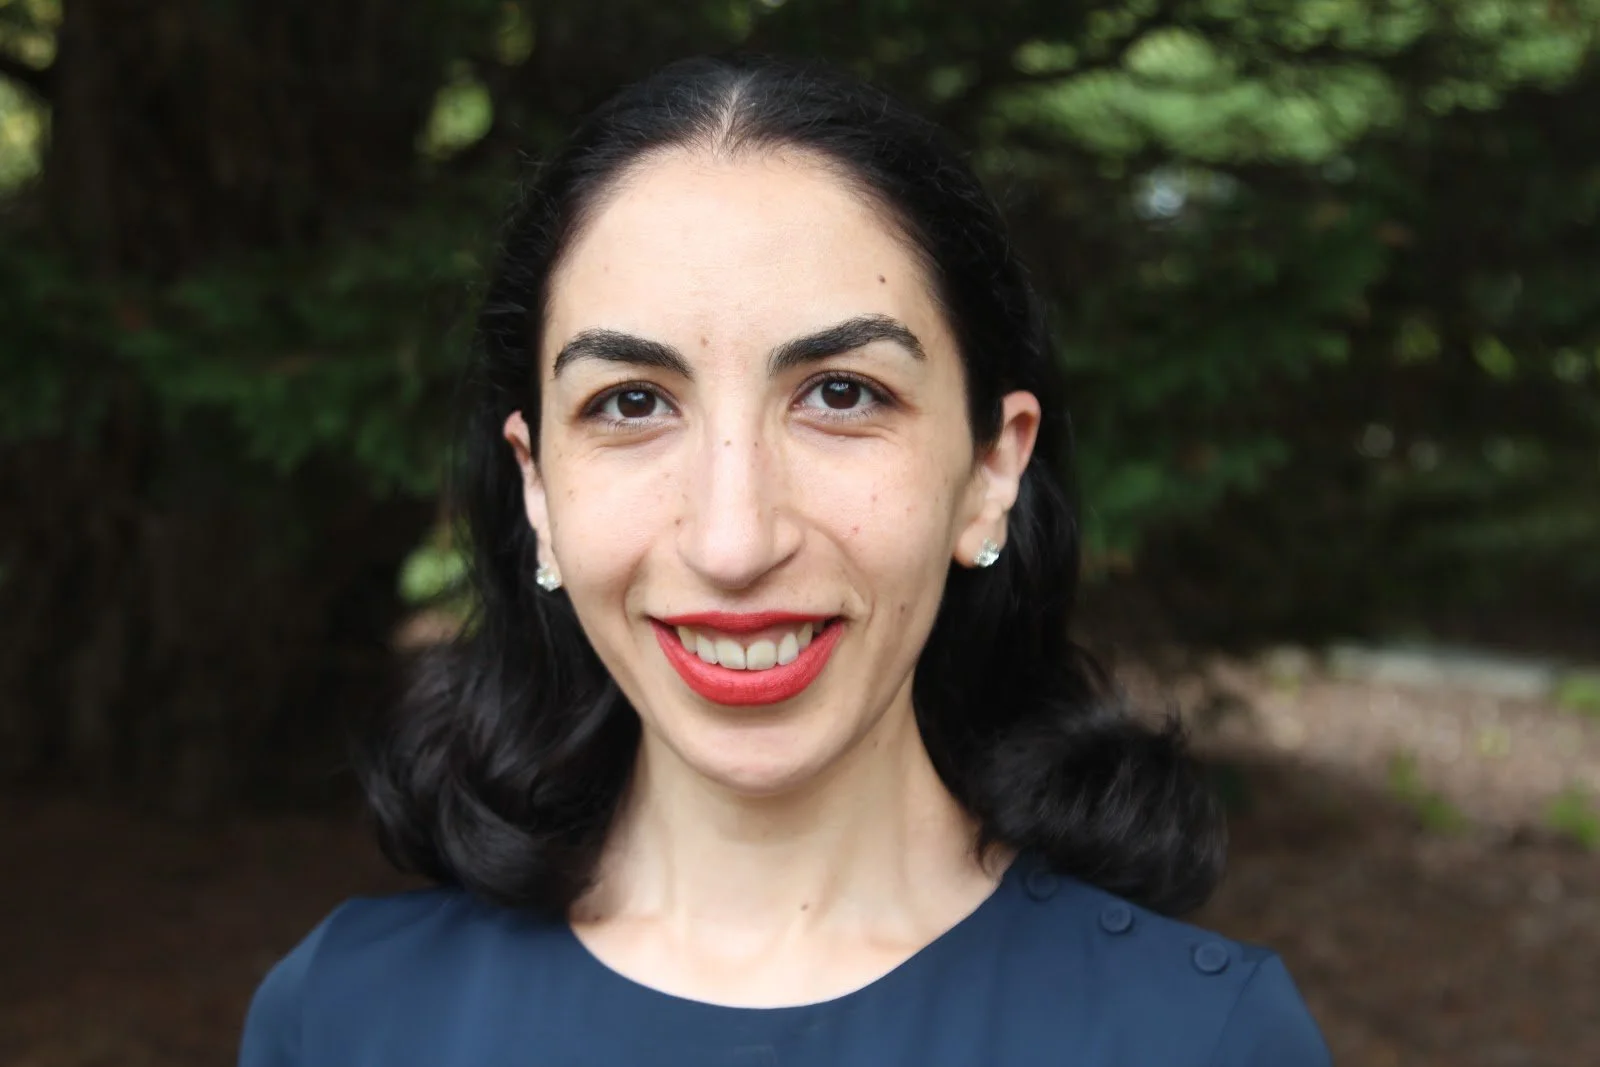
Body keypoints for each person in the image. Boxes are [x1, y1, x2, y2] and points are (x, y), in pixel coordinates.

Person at [238, 53, 1331, 1066]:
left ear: (991, 467)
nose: (733, 540)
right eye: (631, 403)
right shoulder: (344, 1018)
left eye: (840, 393)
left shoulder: (1199, 1040)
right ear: (538, 488)